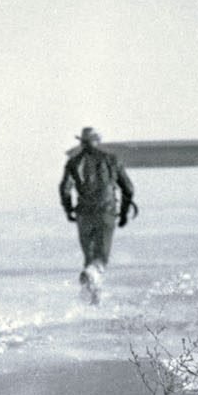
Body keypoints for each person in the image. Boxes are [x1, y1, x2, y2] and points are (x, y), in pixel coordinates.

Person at [58, 126, 135, 300]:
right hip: (106, 212)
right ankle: (93, 292)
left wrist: (68, 209)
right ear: (98, 140)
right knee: (101, 258)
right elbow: (128, 189)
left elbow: (65, 189)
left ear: (82, 142)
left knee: (89, 257)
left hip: (83, 214)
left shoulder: (73, 162)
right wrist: (123, 213)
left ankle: (92, 297)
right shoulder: (111, 160)